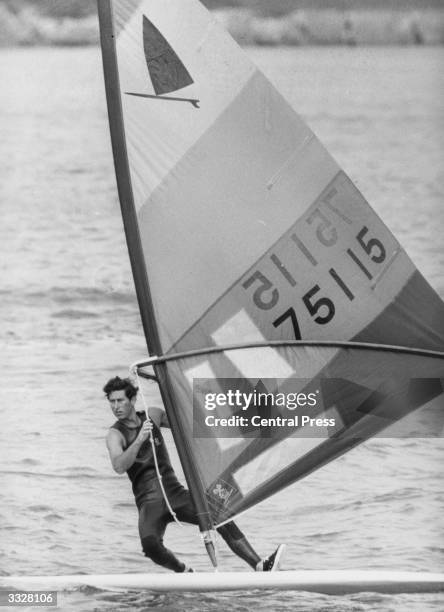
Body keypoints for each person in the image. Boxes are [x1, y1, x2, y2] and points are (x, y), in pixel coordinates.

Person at [104, 376, 285, 573]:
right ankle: (184, 572)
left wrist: (173, 386)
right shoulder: (115, 435)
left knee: (219, 515)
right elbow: (119, 466)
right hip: (149, 501)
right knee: (150, 546)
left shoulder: (152, 416)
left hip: (175, 493)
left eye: (120, 400)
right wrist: (140, 439)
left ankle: (260, 566)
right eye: (112, 401)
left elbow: (189, 423)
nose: (116, 406)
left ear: (132, 400)